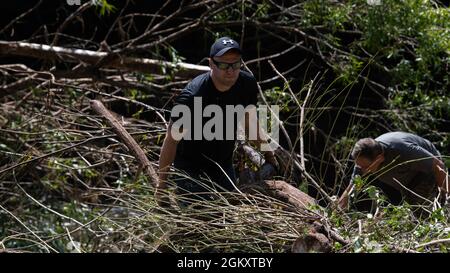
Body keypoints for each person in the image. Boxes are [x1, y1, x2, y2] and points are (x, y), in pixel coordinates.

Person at [155, 37, 278, 207]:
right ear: (211, 64)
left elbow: (250, 124)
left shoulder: (246, 84)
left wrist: (269, 154)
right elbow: (171, 141)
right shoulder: (192, 97)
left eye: (236, 64)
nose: (230, 71)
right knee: (199, 219)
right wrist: (161, 186)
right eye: (224, 65)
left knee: (227, 215)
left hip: (222, 163)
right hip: (191, 168)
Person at [338, 132, 448, 214]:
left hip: (426, 172)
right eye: (359, 166)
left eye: (365, 167)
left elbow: (437, 166)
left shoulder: (403, 149)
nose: (361, 170)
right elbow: (353, 186)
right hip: (406, 183)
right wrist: (338, 209)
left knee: (423, 213)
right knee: (415, 212)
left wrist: (446, 194)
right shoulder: (363, 160)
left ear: (379, 158)